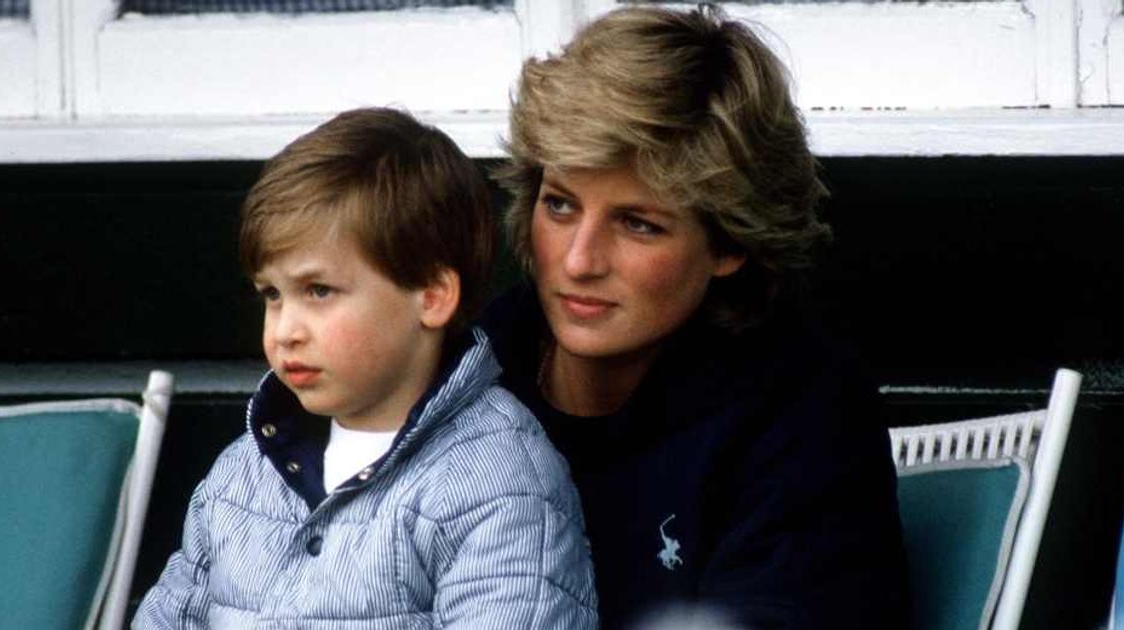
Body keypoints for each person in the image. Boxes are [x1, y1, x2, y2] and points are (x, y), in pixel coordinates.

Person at [481, 6, 910, 629]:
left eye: (637, 224)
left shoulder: (801, 412)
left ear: (729, 243)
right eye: (560, 205)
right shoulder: (468, 372)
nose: (578, 261)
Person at [135, 108, 597, 629]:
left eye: (319, 291)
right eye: (272, 295)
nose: (286, 329)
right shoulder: (242, 475)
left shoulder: (496, 483)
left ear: (432, 295)